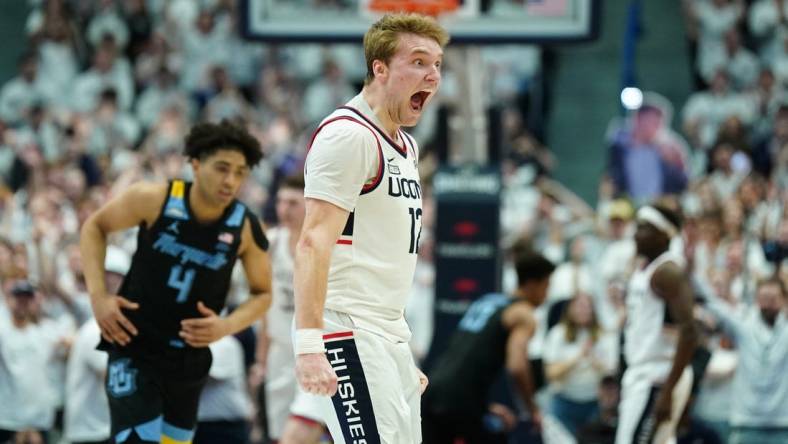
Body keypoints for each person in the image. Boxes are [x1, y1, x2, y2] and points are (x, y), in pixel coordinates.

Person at [292, 13, 448, 444]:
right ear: (379, 68)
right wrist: (309, 344)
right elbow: (313, 242)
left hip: (386, 334)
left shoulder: (406, 145)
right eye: (418, 62)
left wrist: (398, 351)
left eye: (437, 64)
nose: (432, 76)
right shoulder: (349, 136)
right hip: (345, 325)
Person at [79, 119, 272, 444]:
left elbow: (263, 294)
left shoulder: (245, 227)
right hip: (134, 346)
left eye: (240, 172)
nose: (231, 180)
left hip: (189, 359)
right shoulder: (153, 199)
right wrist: (98, 298)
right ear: (195, 165)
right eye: (222, 168)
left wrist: (227, 326)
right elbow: (94, 228)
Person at [421, 251, 556, 443]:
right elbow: (517, 366)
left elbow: (464, 362)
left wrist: (485, 407)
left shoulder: (487, 301)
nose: (547, 294)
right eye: (546, 285)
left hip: (433, 392)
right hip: (460, 403)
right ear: (532, 284)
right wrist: (532, 409)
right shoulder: (523, 314)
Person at [616, 205, 699, 444]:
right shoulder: (646, 268)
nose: (635, 234)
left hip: (658, 376)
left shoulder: (668, 271)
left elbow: (690, 332)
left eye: (644, 229)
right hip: (644, 373)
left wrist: (668, 390)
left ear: (664, 235)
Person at [256, 174, 325, 443]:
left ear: (309, 204)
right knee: (278, 433)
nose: (284, 209)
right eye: (281, 202)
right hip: (280, 352)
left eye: (293, 203)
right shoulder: (270, 243)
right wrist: (260, 361)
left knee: (301, 432)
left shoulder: (323, 243)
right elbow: (264, 308)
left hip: (315, 350)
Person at [696, 276, 788, 444]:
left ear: (784, 300)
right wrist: (690, 268)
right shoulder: (744, 328)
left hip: (782, 425)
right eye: (764, 299)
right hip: (746, 424)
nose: (768, 305)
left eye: (773, 299)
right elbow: (713, 303)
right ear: (757, 300)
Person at [63, 246, 131, 444]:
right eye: (107, 277)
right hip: (90, 435)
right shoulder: (95, 330)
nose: (111, 283)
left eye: (115, 277)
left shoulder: (114, 325)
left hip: (105, 431)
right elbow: (118, 380)